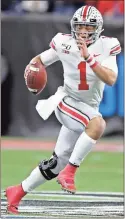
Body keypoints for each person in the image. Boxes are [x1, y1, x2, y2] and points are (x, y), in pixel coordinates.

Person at [5, 5, 121, 214]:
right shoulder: (64, 43)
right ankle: (70, 172)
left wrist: (91, 59)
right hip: (66, 101)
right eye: (80, 26)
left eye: (88, 26)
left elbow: (111, 79)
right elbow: (39, 60)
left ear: (98, 29)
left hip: (86, 107)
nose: (84, 31)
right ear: (73, 27)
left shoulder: (107, 46)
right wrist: (33, 74)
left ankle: (18, 191)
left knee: (56, 162)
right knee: (97, 124)